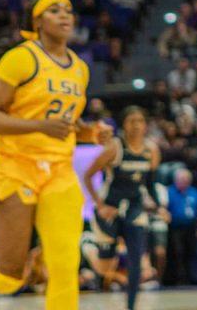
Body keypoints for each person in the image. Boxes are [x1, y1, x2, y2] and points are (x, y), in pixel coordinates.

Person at [0, 0, 112, 309]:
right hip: (14, 168)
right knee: (9, 276)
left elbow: (67, 121)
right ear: (38, 21)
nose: (64, 16)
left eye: (68, 10)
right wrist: (40, 127)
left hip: (58, 171)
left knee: (65, 265)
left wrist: (91, 132)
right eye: (54, 10)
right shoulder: (22, 58)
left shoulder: (80, 69)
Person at [82, 106, 160, 310]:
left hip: (134, 208)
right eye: (131, 121)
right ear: (124, 125)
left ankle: (131, 306)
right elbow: (88, 175)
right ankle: (89, 248)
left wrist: (158, 206)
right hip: (110, 209)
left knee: (136, 262)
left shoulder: (151, 149)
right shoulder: (115, 148)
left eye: (140, 121)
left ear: (145, 125)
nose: (136, 125)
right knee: (106, 267)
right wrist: (99, 205)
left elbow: (150, 184)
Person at [164, 169, 197, 286]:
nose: (183, 182)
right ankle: (175, 278)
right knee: (176, 252)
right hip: (174, 227)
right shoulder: (169, 192)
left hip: (190, 227)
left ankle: (189, 278)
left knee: (190, 252)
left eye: (186, 180)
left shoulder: (195, 192)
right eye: (181, 180)